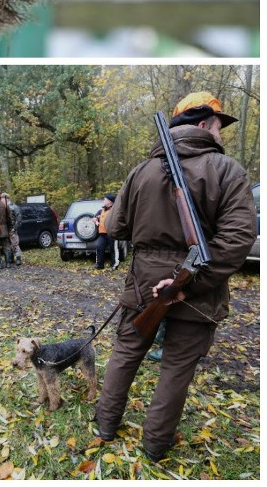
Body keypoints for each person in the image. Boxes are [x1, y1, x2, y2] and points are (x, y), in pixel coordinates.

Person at [94, 91, 256, 462]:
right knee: (176, 368)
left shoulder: (140, 170)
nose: (221, 134)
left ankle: (105, 423)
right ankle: (155, 444)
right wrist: (190, 281)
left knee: (126, 352)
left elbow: (115, 226)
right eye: (219, 125)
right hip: (199, 286)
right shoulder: (227, 170)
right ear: (202, 124)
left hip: (144, 282)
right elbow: (238, 238)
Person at [94, 193, 116, 269]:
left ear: (110, 201)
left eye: (105, 199)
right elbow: (95, 218)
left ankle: (114, 265)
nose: (104, 200)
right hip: (102, 233)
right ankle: (99, 265)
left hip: (112, 233)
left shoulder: (115, 210)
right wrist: (96, 220)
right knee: (99, 247)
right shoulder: (102, 210)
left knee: (114, 249)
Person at [6, 193, 23, 267]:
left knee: (15, 244)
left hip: (12, 229)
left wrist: (14, 228)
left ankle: (18, 259)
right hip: (6, 230)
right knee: (9, 245)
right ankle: (11, 258)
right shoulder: (4, 207)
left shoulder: (14, 207)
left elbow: (19, 219)